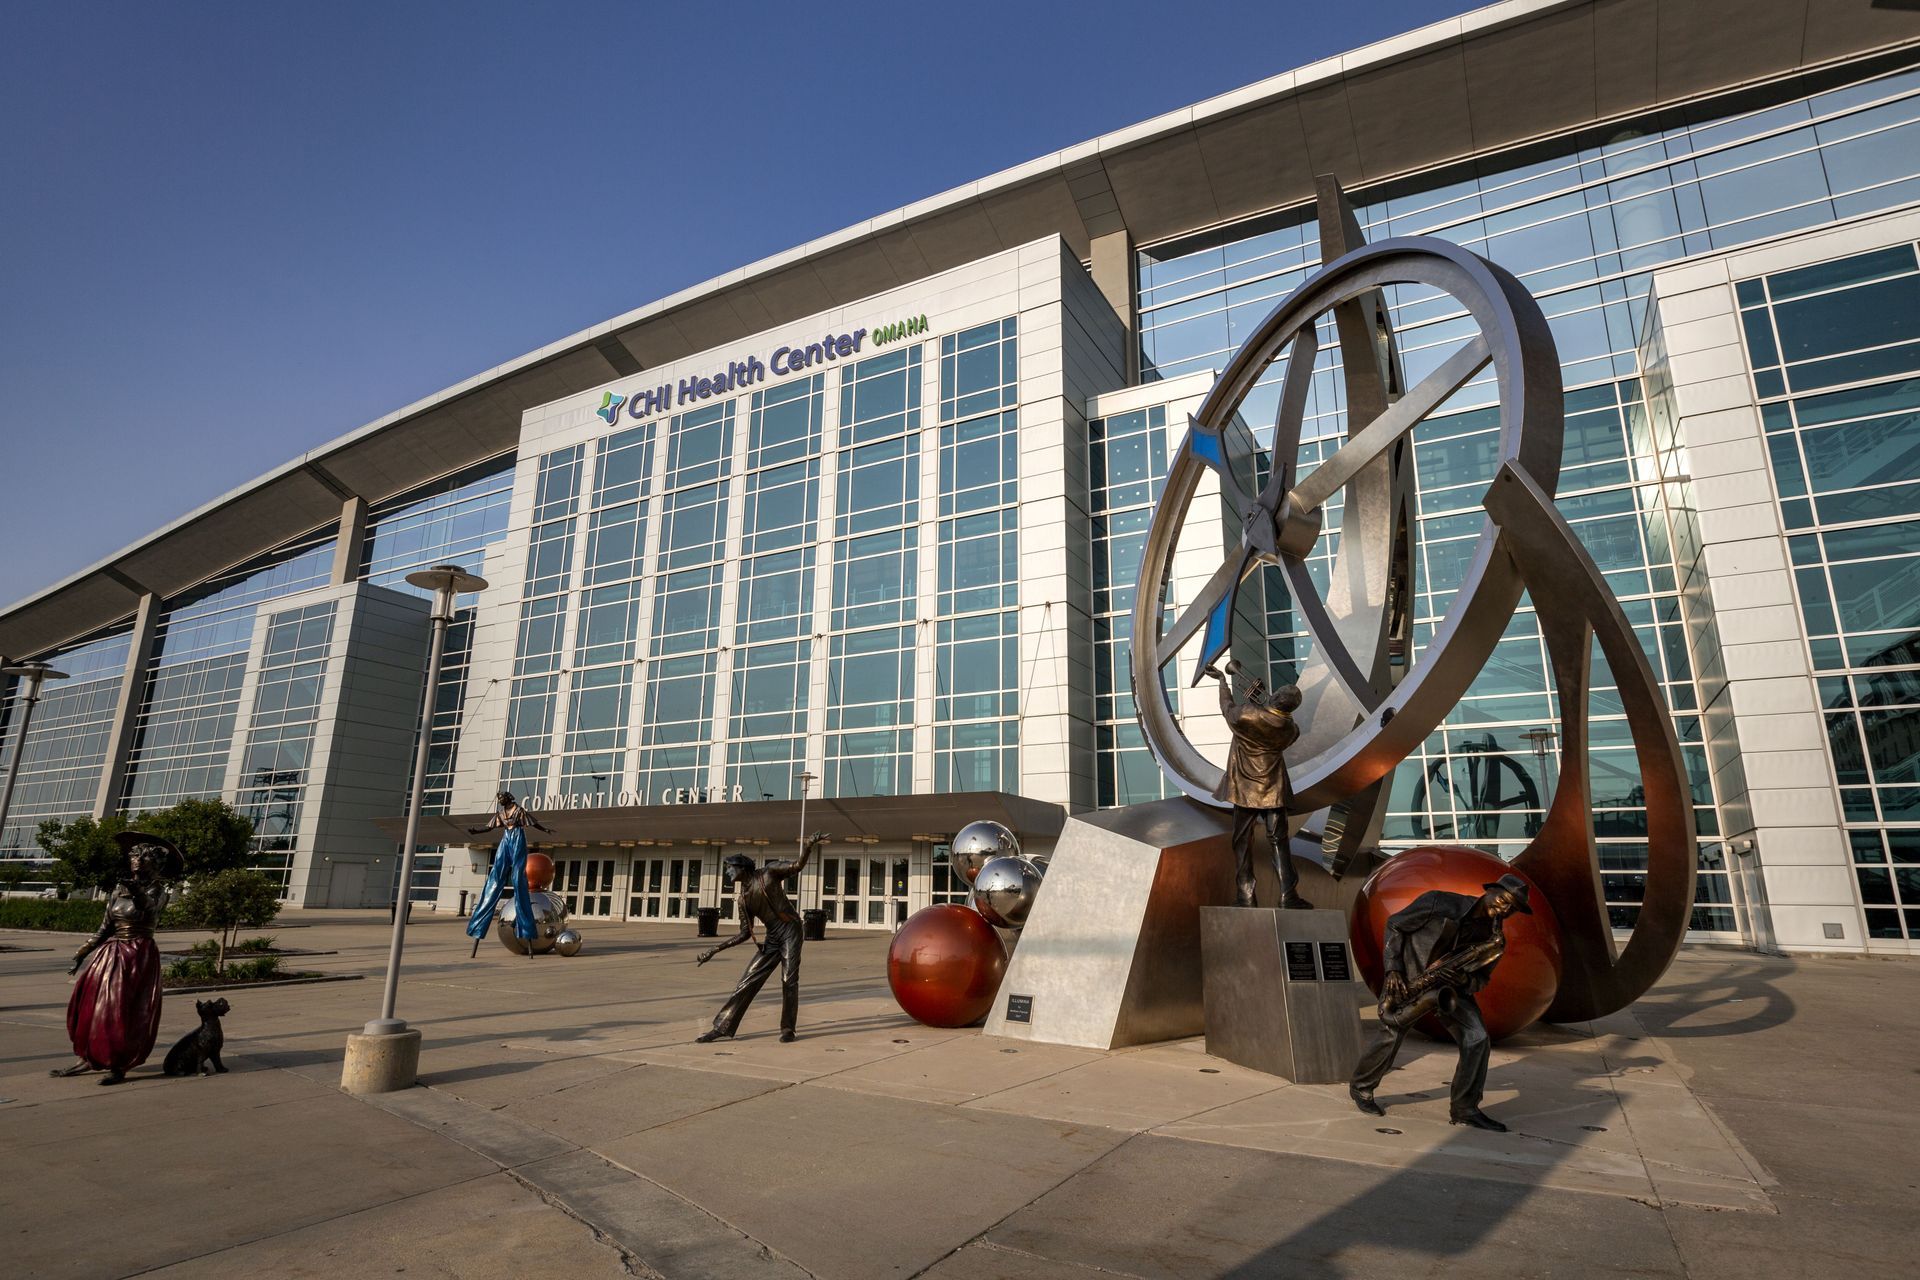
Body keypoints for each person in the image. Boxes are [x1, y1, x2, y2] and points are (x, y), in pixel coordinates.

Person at [1349, 873, 1533, 1131]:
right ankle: (1361, 1088)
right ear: (1490, 890)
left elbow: (1481, 980)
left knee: (1477, 1038)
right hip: (1411, 978)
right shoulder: (1440, 902)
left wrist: (1462, 980)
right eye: (1503, 900)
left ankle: (1465, 1109)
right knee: (1392, 1030)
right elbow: (1395, 924)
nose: (1503, 909)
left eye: (1511, 908)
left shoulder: (1494, 941)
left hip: (1451, 991)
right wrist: (1393, 970)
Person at [50, 832, 184, 1085]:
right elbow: (105, 928)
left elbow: (149, 909)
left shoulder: (158, 891)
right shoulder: (117, 891)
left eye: (143, 861)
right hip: (111, 954)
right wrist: (83, 952)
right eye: (134, 860)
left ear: (154, 866)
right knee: (91, 1006)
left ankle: (118, 1063)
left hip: (138, 955)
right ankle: (88, 1057)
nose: (136, 865)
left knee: (123, 1011)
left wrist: (137, 892)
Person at [694, 832, 825, 1044]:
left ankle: (788, 1028)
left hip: (790, 930)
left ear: (741, 868)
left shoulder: (769, 873)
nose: (727, 872)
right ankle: (722, 1027)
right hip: (773, 938)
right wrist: (714, 950)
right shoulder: (743, 899)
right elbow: (745, 934)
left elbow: (797, 867)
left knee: (788, 979)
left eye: (729, 867)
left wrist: (808, 846)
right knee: (747, 981)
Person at [1204, 661, 1308, 908]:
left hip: (1245, 791)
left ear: (1277, 697)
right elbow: (1274, 723)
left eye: (1277, 692)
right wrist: (1269, 708)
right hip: (1274, 790)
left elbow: (1227, 708)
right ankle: (1288, 896)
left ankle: (1246, 895)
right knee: (1279, 842)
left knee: (1241, 842)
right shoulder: (1291, 729)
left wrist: (1222, 680)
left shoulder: (1247, 715)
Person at [465, 791, 552, 958]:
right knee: (495, 878)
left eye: (502, 798)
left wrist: (546, 830)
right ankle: (477, 926)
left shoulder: (519, 811)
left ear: (509, 798)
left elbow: (533, 823)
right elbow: (489, 827)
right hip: (506, 839)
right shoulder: (501, 814)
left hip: (518, 838)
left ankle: (526, 930)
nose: (499, 801)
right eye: (498, 799)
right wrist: (476, 832)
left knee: (518, 879)